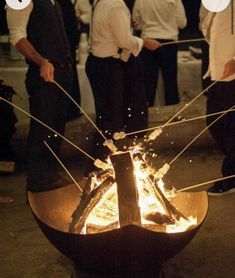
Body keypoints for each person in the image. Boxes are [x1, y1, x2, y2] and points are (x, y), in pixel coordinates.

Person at [85, 0, 160, 174]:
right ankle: (98, 167)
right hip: (107, 66)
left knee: (108, 117)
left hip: (98, 63)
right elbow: (124, 40)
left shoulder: (101, 2)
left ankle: (101, 165)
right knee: (111, 119)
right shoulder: (115, 4)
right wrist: (144, 42)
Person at [6, 0, 74, 192]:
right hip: (42, 71)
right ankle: (37, 182)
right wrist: (41, 61)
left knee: (56, 127)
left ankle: (50, 176)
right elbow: (17, 36)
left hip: (63, 69)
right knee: (42, 128)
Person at [201, 3, 235, 196]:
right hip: (219, 72)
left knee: (230, 128)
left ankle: (230, 177)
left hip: (232, 73)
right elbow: (209, 31)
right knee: (214, 122)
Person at [132, 0, 187, 107]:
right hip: (169, 42)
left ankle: (147, 115)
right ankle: (173, 115)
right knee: (170, 83)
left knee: (148, 83)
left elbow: (136, 24)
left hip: (148, 41)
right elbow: (182, 23)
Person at [57, 0, 82, 120]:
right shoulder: (64, 4)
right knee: (70, 77)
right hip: (66, 44)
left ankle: (71, 110)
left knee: (71, 77)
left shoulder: (63, 4)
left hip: (68, 43)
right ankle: (71, 110)